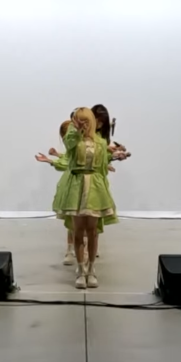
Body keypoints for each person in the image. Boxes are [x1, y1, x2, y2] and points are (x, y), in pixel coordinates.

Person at [60, 108, 117, 289]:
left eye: (86, 120)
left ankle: (91, 269)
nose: (83, 123)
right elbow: (68, 145)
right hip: (76, 188)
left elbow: (102, 166)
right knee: (78, 230)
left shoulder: (100, 142)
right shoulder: (72, 139)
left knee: (92, 231)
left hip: (94, 188)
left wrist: (114, 157)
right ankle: (80, 269)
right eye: (79, 120)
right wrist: (76, 131)